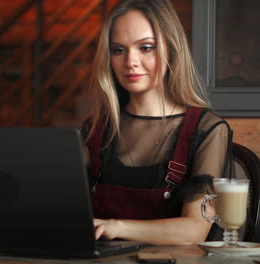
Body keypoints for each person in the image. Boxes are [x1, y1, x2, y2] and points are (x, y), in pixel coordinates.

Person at [81, 0, 234, 245]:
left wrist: (116, 227)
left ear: (171, 48)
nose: (130, 61)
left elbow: (194, 231)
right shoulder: (95, 129)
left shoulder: (207, 129)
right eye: (119, 50)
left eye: (146, 48)